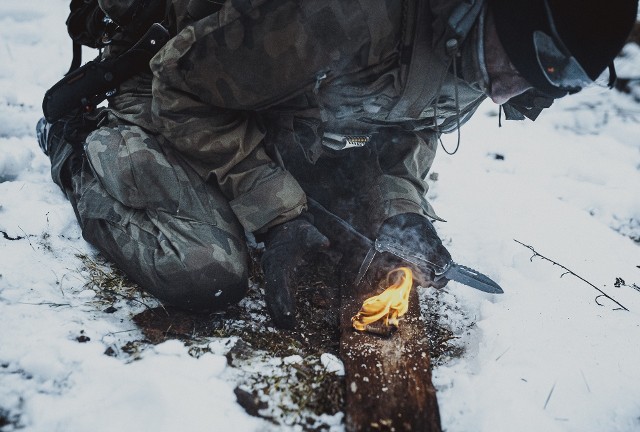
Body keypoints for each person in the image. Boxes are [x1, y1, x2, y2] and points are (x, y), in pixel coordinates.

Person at [39, 0, 638, 328]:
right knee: (208, 268)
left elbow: (415, 123)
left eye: (556, 82)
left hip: (274, 101)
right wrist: (275, 213)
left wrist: (404, 210)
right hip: (173, 87)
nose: (508, 93)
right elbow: (179, 88)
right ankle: (79, 148)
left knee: (361, 231)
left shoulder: (493, 52)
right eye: (521, 65)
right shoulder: (340, 14)